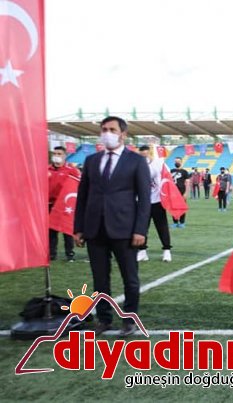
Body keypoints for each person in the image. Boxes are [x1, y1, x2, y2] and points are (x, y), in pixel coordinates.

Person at [73, 116, 151, 336]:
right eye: (104, 129)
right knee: (100, 278)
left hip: (125, 230)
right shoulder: (91, 161)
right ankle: (104, 318)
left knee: (130, 278)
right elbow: (82, 197)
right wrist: (78, 228)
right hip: (94, 228)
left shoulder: (136, 161)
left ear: (123, 134)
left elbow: (144, 199)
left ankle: (129, 319)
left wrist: (140, 230)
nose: (107, 132)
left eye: (112, 129)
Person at [136, 146, 172, 263]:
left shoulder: (158, 164)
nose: (144, 157)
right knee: (142, 227)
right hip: (142, 201)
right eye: (141, 155)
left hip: (157, 200)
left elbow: (166, 179)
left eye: (145, 155)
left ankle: (166, 250)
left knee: (162, 226)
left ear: (150, 153)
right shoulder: (135, 165)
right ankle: (142, 251)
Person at [49, 146, 81, 262]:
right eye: (55, 153)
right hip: (50, 204)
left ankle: (70, 254)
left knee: (67, 229)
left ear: (65, 156)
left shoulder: (71, 170)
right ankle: (52, 254)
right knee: (51, 230)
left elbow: (78, 185)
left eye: (59, 154)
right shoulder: (47, 170)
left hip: (65, 204)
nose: (56, 156)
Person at [170, 157, 190, 228]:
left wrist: (186, 193)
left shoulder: (184, 172)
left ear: (181, 162)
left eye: (178, 161)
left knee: (182, 208)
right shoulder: (171, 171)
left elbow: (187, 183)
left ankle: (182, 222)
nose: (176, 163)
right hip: (173, 193)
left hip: (182, 192)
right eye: (175, 161)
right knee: (173, 208)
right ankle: (175, 222)